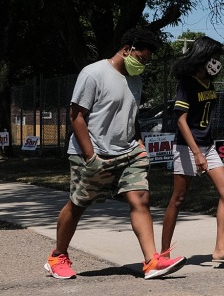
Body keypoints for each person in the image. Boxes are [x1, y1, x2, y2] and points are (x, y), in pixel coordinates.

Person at [46, 27, 187, 280]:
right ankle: (58, 255)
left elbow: (131, 116)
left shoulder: (136, 79)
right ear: (126, 49)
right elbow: (76, 116)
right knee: (78, 205)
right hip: (93, 152)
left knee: (140, 199)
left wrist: (140, 144)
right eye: (141, 59)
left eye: (147, 61)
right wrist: (90, 157)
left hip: (129, 152)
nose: (143, 65)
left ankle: (151, 261)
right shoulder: (93, 74)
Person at [160, 36, 224, 263]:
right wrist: (196, 152)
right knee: (178, 198)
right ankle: (163, 253)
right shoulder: (187, 84)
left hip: (208, 146)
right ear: (202, 56)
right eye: (214, 57)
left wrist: (204, 149)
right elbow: (181, 120)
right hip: (187, 147)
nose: (216, 62)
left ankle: (220, 249)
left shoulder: (209, 83)